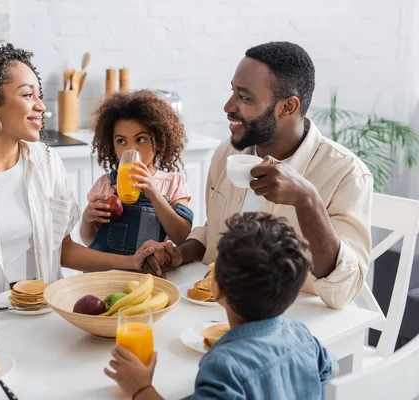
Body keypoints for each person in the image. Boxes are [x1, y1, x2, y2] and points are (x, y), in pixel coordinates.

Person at [0, 44, 154, 317]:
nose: (40, 106)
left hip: (42, 312)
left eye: (39, 95)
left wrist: (132, 262)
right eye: (27, 95)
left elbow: (63, 249)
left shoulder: (47, 164)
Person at [141, 41, 372, 309]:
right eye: (233, 92)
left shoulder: (346, 174)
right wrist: (179, 254)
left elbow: (344, 291)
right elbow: (214, 231)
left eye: (245, 97)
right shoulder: (227, 153)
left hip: (298, 323)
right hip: (221, 311)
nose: (228, 106)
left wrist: (307, 201)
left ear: (288, 107)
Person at [105, 213, 339, 400]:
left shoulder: (224, 366)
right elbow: (331, 370)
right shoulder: (302, 335)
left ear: (216, 289)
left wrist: (141, 389)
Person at [80, 90, 194, 256]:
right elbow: (90, 240)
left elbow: (182, 237)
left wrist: (155, 195)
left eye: (140, 139)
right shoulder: (106, 184)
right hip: (107, 274)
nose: (130, 149)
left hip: (148, 275)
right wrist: (87, 219)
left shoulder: (172, 183)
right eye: (121, 141)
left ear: (160, 142)